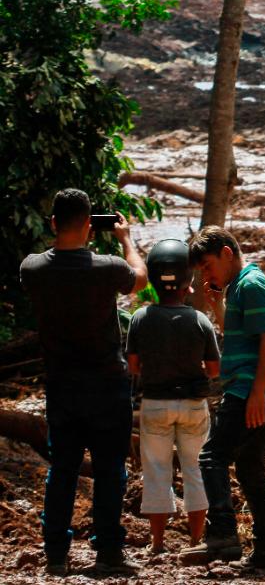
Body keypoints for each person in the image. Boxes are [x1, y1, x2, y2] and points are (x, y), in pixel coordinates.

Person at [20, 189, 148, 576]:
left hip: (62, 386)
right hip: (107, 385)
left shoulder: (32, 268)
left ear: (54, 223)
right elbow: (140, 279)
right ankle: (108, 552)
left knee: (63, 469)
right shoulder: (109, 267)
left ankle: (56, 554)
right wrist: (126, 239)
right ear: (90, 227)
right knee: (111, 471)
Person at [180, 226, 265, 574]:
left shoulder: (252, 284)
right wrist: (217, 305)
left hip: (249, 389)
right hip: (262, 390)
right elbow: (241, 334)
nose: (208, 275)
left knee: (212, 457)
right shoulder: (241, 287)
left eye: (209, 266)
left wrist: (257, 391)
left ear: (227, 253)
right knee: (249, 468)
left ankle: (224, 532)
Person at [126, 239, 219, 555]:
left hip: (155, 404)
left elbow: (134, 366)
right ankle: (195, 541)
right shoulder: (199, 320)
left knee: (155, 471)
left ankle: (157, 543)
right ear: (188, 282)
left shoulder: (140, 318)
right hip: (193, 404)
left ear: (152, 279)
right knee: (196, 470)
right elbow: (214, 369)